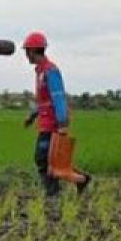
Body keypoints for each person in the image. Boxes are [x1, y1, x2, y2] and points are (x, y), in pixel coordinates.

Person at [21, 31, 88, 196]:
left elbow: (58, 98)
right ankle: (81, 180)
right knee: (52, 160)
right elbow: (42, 100)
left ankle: (52, 192)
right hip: (45, 121)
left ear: (33, 50)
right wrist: (32, 116)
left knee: (42, 158)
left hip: (53, 123)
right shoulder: (40, 71)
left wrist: (62, 124)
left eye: (26, 51)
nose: (26, 55)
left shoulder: (50, 71)